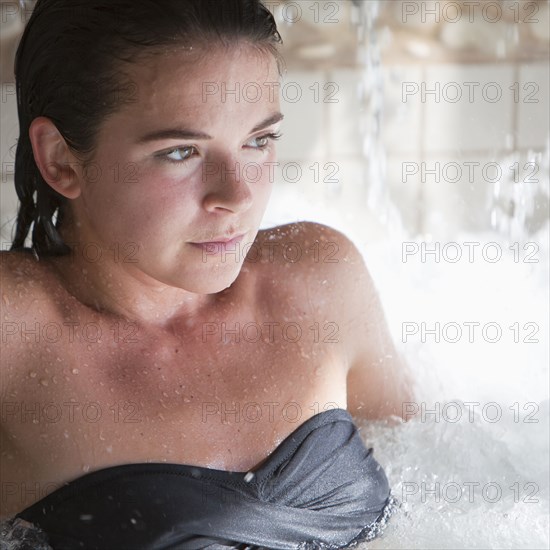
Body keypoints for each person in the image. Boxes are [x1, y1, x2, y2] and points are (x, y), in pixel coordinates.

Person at [0, 0, 415, 547]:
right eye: (180, 152)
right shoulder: (16, 333)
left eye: (259, 140)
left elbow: (431, 462)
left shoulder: (320, 279)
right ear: (61, 160)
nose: (238, 195)